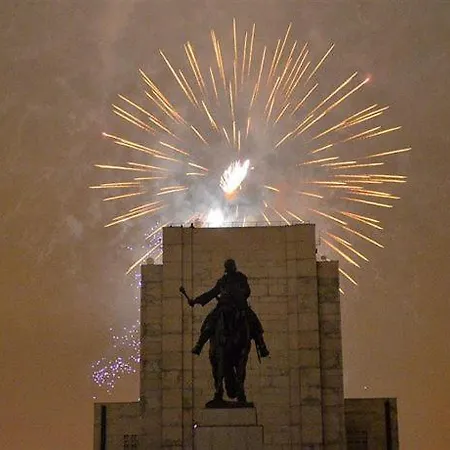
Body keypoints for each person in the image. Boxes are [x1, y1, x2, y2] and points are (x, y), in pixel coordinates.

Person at [190, 259, 270, 358]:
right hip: (224, 307)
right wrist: (196, 301)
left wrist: (239, 295)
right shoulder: (223, 281)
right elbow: (211, 293)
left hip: (240, 306)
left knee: (254, 321)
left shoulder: (241, 278)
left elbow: (247, 291)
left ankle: (262, 346)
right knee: (209, 321)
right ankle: (199, 344)